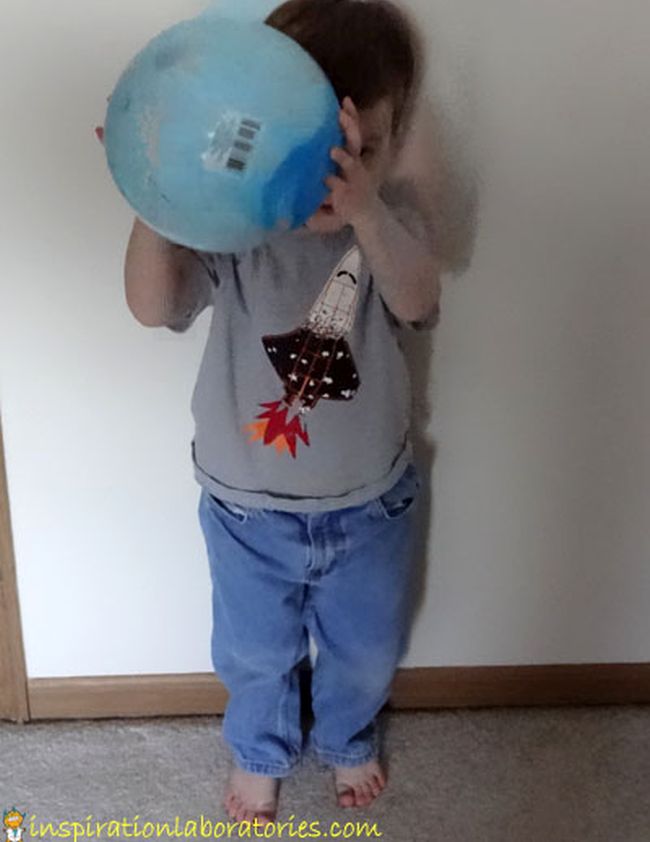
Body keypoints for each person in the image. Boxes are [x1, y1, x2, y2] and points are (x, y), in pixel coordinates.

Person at [101, 0, 442, 826]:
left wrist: (367, 209)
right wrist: (157, 197)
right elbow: (153, 309)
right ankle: (260, 748)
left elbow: (420, 300)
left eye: (360, 150)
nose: (333, 172)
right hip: (247, 510)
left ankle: (348, 735)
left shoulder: (391, 226)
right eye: (314, 142)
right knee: (254, 653)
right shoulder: (232, 231)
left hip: (370, 504)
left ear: (391, 145)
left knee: (365, 650)